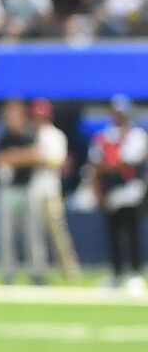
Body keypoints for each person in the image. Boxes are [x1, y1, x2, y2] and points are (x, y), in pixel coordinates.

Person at [87, 95, 146, 293]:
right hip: (111, 192)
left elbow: (128, 162)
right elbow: (95, 164)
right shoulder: (104, 136)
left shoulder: (137, 135)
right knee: (112, 235)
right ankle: (116, 273)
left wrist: (106, 167)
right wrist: (99, 185)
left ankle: (135, 274)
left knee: (131, 233)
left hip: (130, 191)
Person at [26, 99, 81, 283]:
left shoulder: (55, 135)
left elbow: (58, 161)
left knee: (58, 233)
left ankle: (70, 271)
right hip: (33, 189)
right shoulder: (30, 134)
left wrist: (36, 158)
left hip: (50, 189)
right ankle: (38, 272)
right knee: (34, 234)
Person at [0, 98, 45, 284]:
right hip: (8, 190)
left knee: (33, 233)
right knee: (6, 234)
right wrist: (22, 156)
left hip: (27, 188)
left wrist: (13, 156)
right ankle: (8, 273)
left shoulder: (29, 134)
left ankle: (36, 272)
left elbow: (37, 156)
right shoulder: (3, 136)